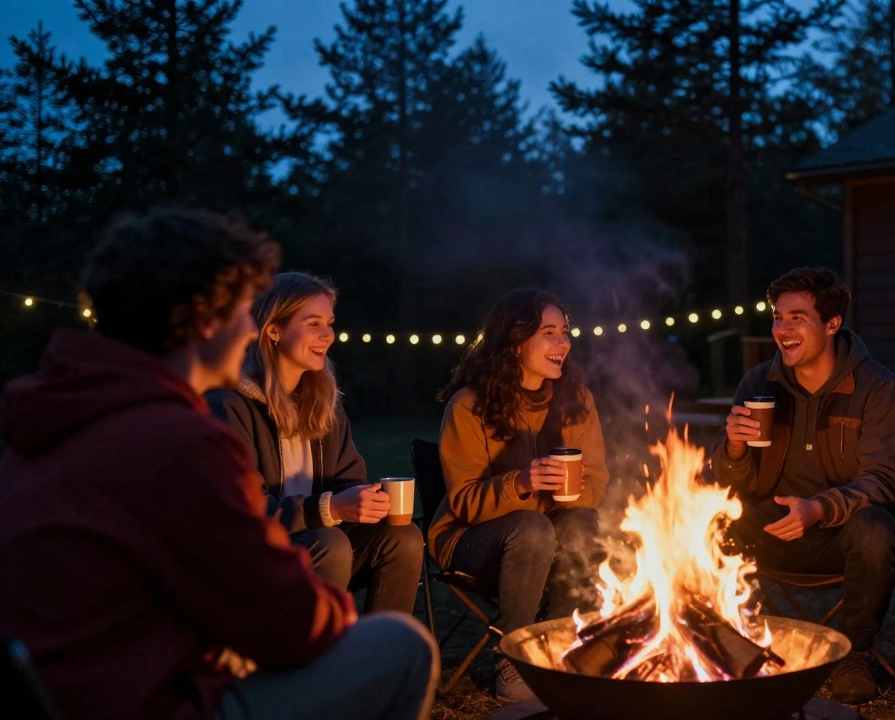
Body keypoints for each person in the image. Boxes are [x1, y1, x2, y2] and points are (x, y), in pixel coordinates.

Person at [0, 210, 438, 720]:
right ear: (207, 319)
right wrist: (339, 614)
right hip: (144, 699)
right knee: (400, 647)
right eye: (245, 313)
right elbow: (288, 621)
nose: (252, 331)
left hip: (69, 687)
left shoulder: (57, 417)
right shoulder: (178, 440)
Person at [711, 266, 895, 704]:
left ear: (832, 323)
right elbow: (726, 483)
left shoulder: (876, 387)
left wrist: (819, 509)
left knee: (877, 527)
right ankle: (729, 641)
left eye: (797, 317)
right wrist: (736, 448)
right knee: (707, 518)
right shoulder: (758, 382)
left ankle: (854, 654)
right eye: (778, 317)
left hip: (845, 535)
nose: (783, 329)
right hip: (771, 530)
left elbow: (885, 481)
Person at [208, 272, 423, 615]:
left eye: (329, 323)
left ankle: (380, 654)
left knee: (404, 538)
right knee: (331, 543)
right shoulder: (231, 405)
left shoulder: (324, 404)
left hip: (322, 547)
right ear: (273, 330)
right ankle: (320, 660)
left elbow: (346, 480)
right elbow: (244, 511)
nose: (328, 335)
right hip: (253, 556)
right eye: (313, 323)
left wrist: (364, 502)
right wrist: (330, 508)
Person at [430, 289, 608, 703]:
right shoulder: (469, 405)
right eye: (549, 333)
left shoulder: (577, 401)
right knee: (532, 528)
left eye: (565, 332)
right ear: (514, 340)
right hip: (470, 540)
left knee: (581, 524)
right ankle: (514, 657)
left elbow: (596, 484)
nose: (563, 343)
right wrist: (522, 483)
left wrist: (571, 490)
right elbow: (466, 503)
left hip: (547, 537)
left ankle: (558, 646)